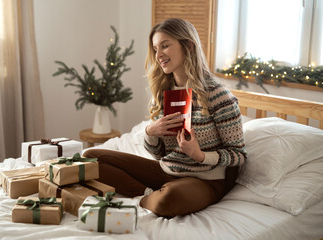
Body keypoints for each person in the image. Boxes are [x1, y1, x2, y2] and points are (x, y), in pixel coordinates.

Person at [83, 18, 247, 218]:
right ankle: (147, 194)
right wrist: (150, 133)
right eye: (155, 48)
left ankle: (149, 197)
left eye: (165, 46)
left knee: (167, 199)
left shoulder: (218, 95)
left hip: (204, 180)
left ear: (188, 46)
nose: (158, 55)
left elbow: (238, 155)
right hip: (165, 171)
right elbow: (159, 154)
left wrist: (200, 155)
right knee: (89, 158)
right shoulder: (162, 93)